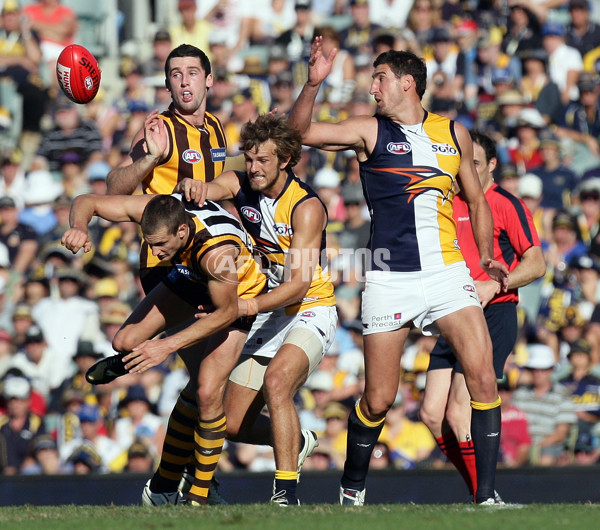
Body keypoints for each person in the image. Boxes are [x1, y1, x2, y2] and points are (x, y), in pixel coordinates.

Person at [288, 37, 508, 505]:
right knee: (378, 399)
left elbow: (476, 198)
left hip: (449, 275)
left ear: (407, 84)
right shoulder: (370, 131)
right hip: (391, 277)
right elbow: (300, 134)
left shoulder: (455, 134)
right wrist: (312, 84)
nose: (372, 88)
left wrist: (486, 255)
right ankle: (352, 489)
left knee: (483, 377)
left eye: (379, 78)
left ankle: (487, 501)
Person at [62, 191, 265, 503]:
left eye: (160, 245)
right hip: (193, 278)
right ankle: (133, 363)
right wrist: (79, 226)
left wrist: (165, 346)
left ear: (181, 231)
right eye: (149, 243)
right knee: (124, 341)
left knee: (208, 391)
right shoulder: (159, 211)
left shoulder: (215, 253)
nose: (154, 253)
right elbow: (87, 200)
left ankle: (198, 495)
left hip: (239, 301)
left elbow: (226, 312)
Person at [176, 113, 337, 506]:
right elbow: (214, 186)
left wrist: (245, 305)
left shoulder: (306, 207)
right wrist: (198, 186)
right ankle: (296, 441)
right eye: (249, 159)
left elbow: (298, 284)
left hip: (310, 306)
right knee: (231, 423)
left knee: (278, 383)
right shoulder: (241, 183)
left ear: (285, 159)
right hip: (269, 309)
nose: (253, 168)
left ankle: (286, 496)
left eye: (263, 160)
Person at [420, 130, 546, 503]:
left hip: (494, 314)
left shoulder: (505, 203)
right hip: (456, 312)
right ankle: (482, 492)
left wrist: (498, 285)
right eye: (463, 164)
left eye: (474, 163)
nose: (467, 171)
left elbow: (536, 263)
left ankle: (484, 497)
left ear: (491, 165)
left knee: (460, 412)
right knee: (430, 414)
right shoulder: (451, 201)